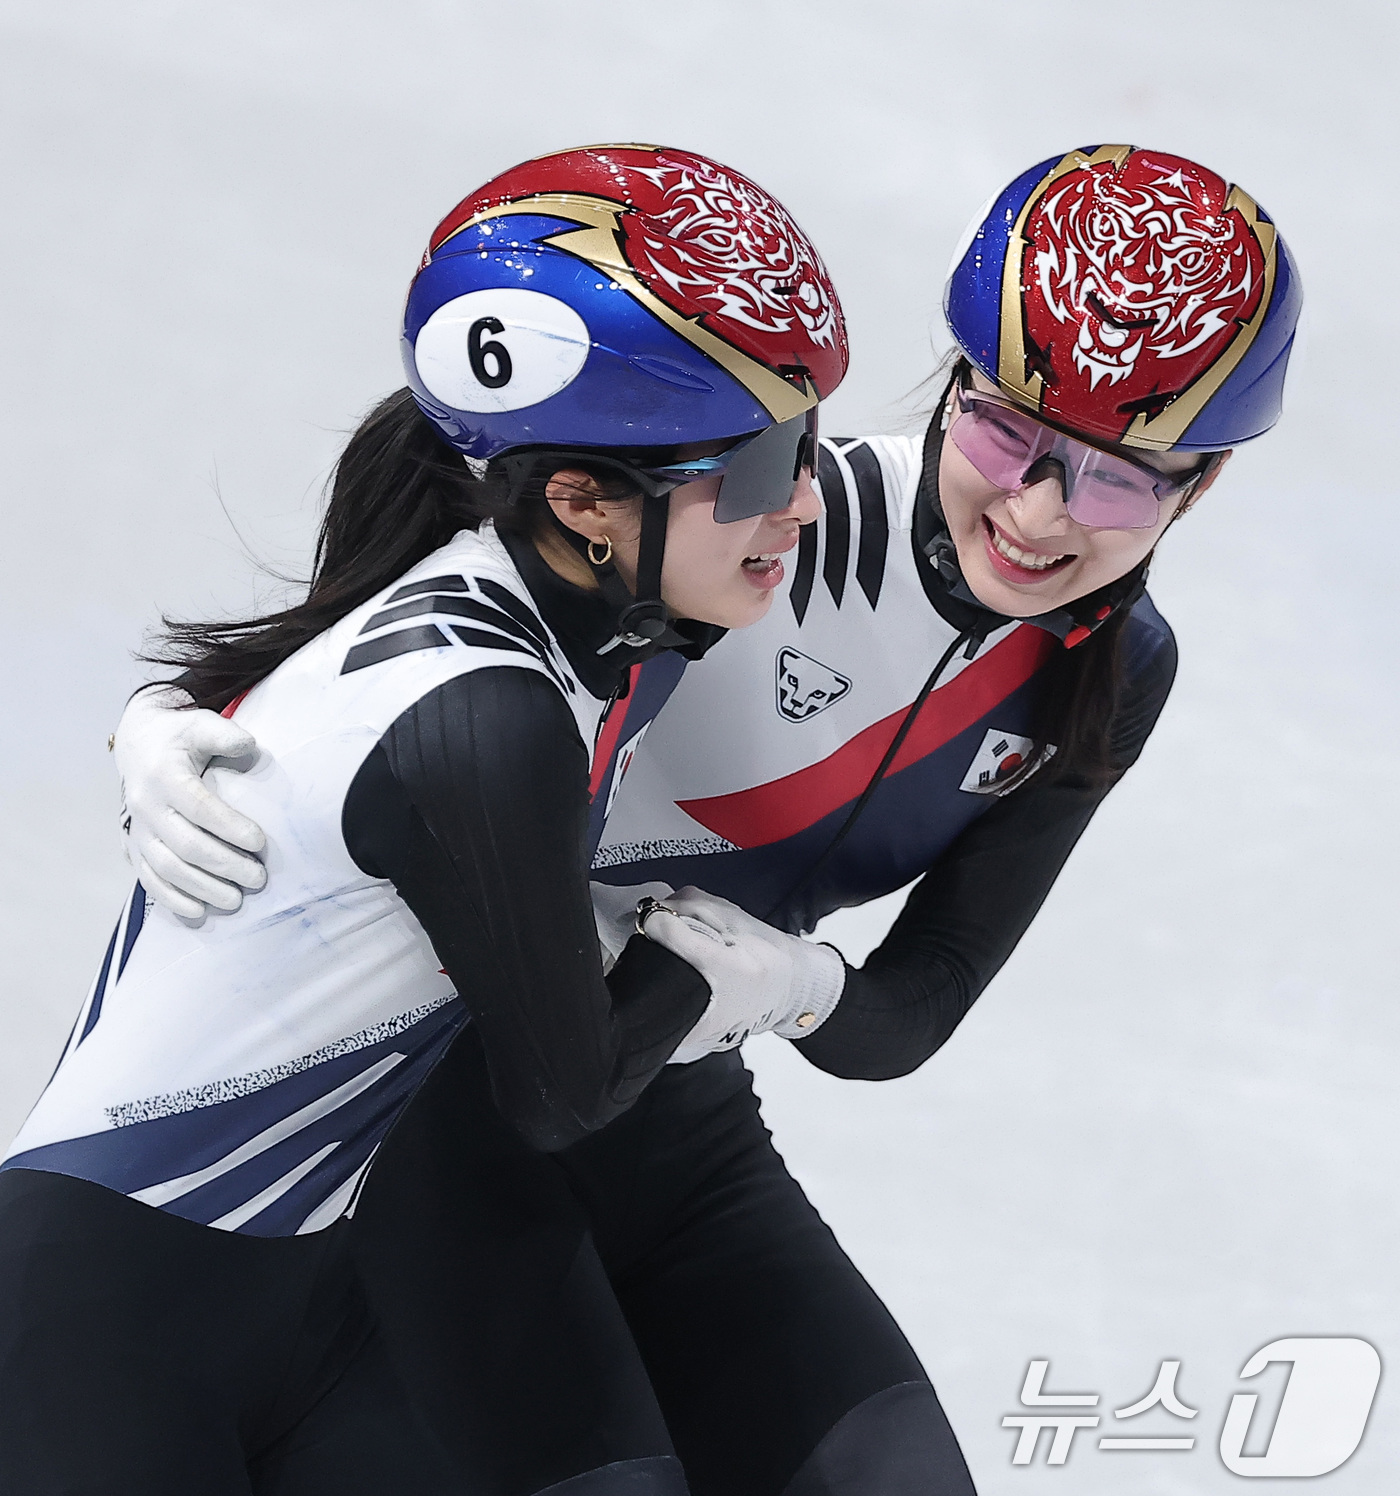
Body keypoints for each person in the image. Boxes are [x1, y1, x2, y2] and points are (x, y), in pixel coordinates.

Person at [99, 145, 1303, 1494]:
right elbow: (436, 592)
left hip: (674, 1129)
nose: (1038, 512)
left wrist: (785, 985)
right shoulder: (753, 532)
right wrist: (181, 713)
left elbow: (916, 1006)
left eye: (1120, 478)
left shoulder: (1108, 674)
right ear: (956, 384)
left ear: (1202, 486)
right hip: (438, 1126)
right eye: (1008, 435)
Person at [0, 144, 849, 1495]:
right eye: (758, 469)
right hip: (103, 1319)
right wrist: (754, 983)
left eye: (805, 443)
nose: (803, 502)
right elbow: (562, 1094)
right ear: (577, 502)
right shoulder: (493, 713)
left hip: (308, 1298)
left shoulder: (588, 606)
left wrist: (157, 714)